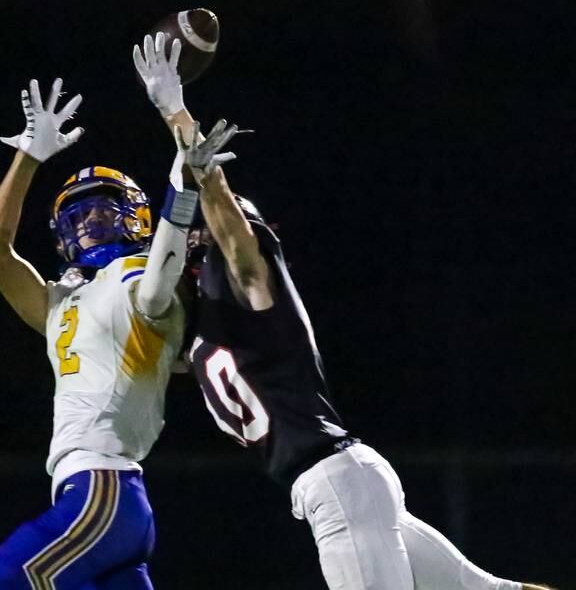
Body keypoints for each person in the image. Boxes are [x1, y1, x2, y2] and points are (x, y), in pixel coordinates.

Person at [133, 32, 554, 590]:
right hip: (348, 482)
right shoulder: (205, 323)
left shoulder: (250, 284)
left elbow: (237, 247)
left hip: (334, 481)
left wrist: (181, 123)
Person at [0, 76, 237, 589]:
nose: (89, 219)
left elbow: (159, 282)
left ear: (135, 217)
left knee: (3, 578)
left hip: (103, 489)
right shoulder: (61, 301)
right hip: (106, 499)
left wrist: (181, 193)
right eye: (78, 212)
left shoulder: (138, 275)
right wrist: (28, 156)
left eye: (102, 206)